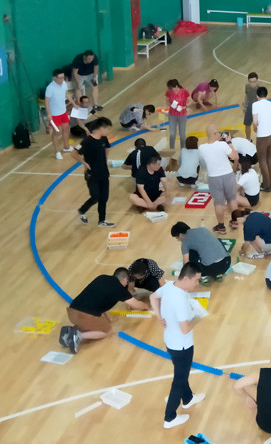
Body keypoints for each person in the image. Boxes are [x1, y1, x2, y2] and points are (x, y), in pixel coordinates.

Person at [151, 262, 206, 429]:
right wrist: (199, 316)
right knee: (179, 380)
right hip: (183, 346)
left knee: (181, 373)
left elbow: (153, 297)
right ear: (187, 278)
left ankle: (188, 398)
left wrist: (159, 316)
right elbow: (185, 329)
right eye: (196, 280)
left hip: (170, 341)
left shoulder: (169, 286)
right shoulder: (180, 300)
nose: (197, 283)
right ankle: (170, 417)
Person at [58, 267, 148, 354]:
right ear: (125, 279)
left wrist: (109, 319)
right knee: (107, 331)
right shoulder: (119, 289)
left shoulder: (102, 277)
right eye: (127, 281)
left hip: (72, 312)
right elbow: (136, 304)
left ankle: (69, 331)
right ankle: (78, 336)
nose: (126, 284)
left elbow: (102, 302)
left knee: (90, 324)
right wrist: (145, 306)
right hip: (85, 315)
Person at [73, 117, 115, 227]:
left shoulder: (104, 139)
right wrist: (84, 163)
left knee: (104, 198)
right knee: (95, 196)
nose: (109, 131)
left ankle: (102, 221)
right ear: (101, 128)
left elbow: (107, 148)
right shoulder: (87, 141)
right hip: (92, 174)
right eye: (108, 129)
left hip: (103, 172)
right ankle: (82, 210)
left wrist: (105, 159)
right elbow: (74, 153)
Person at [197, 126, 239, 234]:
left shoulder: (201, 148)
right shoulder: (223, 145)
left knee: (219, 203)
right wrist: (229, 142)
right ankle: (235, 221)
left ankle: (221, 226)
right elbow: (235, 156)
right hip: (228, 175)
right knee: (232, 199)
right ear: (216, 134)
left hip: (214, 177)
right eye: (219, 133)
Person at [251, 87, 271, 193]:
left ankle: (266, 185)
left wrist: (255, 128)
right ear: (267, 95)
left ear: (257, 96)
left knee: (262, 160)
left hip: (262, 136)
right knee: (269, 158)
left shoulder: (255, 105)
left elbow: (255, 121)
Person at [45, 68, 74, 159]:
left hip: (63, 112)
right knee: (56, 132)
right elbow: (46, 102)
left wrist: (74, 103)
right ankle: (57, 152)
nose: (62, 79)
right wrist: (49, 114)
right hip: (55, 114)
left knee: (66, 128)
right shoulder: (50, 88)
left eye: (63, 77)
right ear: (55, 78)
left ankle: (66, 147)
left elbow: (67, 94)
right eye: (60, 78)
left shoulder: (64, 83)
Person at [165, 79, 190, 150]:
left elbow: (190, 100)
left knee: (182, 134)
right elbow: (167, 101)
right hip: (172, 115)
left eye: (171, 88)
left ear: (176, 86)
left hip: (182, 115)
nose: (170, 89)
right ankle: (172, 148)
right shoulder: (169, 92)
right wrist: (171, 106)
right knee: (172, 134)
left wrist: (184, 107)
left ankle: (183, 148)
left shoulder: (184, 91)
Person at [242, 72, 260, 140]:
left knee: (259, 127)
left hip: (258, 110)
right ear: (248, 81)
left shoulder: (260, 89)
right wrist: (244, 106)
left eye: (254, 82)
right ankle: (248, 140)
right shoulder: (247, 87)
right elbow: (246, 95)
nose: (252, 84)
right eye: (251, 82)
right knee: (247, 125)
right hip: (249, 108)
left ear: (257, 81)